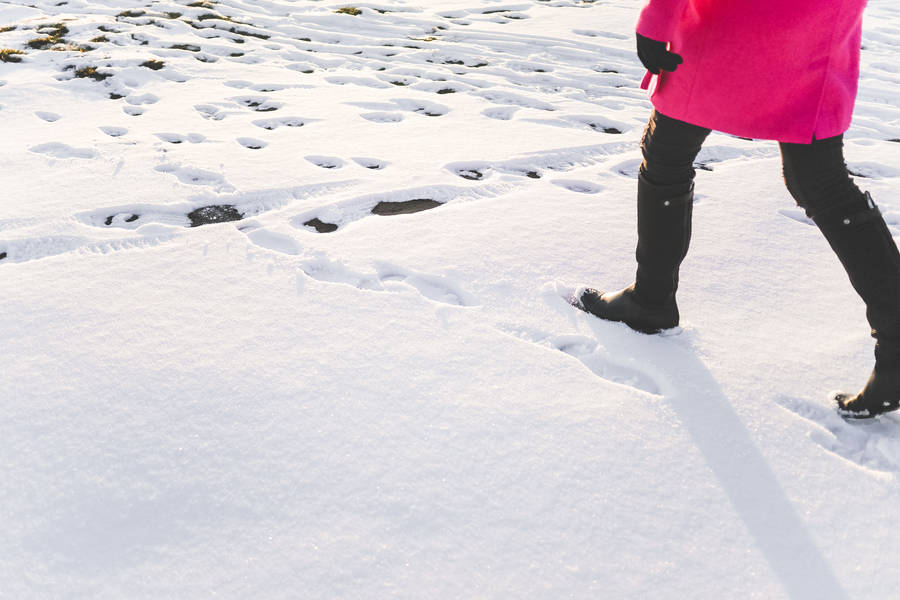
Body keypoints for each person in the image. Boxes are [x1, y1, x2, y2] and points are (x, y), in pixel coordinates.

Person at [576, 0, 900, 419]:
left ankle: (651, 301)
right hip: (816, 26)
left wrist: (659, 16)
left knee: (668, 155)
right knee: (821, 183)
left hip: (731, 23)